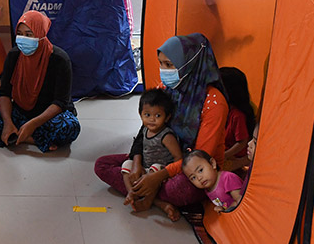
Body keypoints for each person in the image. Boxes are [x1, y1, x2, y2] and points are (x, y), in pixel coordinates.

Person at [94, 33, 228, 221]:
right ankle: (158, 200)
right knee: (102, 164)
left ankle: (148, 192)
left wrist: (158, 177)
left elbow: (201, 158)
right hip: (158, 157)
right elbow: (144, 132)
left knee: (180, 190)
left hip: (194, 170)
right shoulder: (165, 90)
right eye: (161, 63)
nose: (163, 71)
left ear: (189, 64)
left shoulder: (213, 102)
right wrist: (137, 165)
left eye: (169, 65)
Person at [0, 10, 80, 152]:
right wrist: (8, 122)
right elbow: (5, 94)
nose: (22, 39)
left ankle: (22, 136)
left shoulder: (60, 59)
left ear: (40, 34)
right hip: (20, 112)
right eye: (19, 34)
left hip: (49, 115)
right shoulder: (14, 56)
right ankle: (30, 137)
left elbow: (60, 103)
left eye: (29, 34)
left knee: (69, 128)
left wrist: (33, 124)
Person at [120, 89, 182, 214]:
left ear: (167, 117)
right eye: (147, 115)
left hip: (159, 172)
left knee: (156, 167)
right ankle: (132, 192)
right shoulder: (145, 130)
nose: (152, 119)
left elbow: (179, 158)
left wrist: (169, 174)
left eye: (158, 116)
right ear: (140, 113)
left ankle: (148, 200)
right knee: (127, 164)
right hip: (146, 167)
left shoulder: (166, 136)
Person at [219, 66, 256, 170]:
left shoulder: (237, 115)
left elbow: (242, 142)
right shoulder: (223, 110)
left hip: (236, 157)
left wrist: (224, 155)